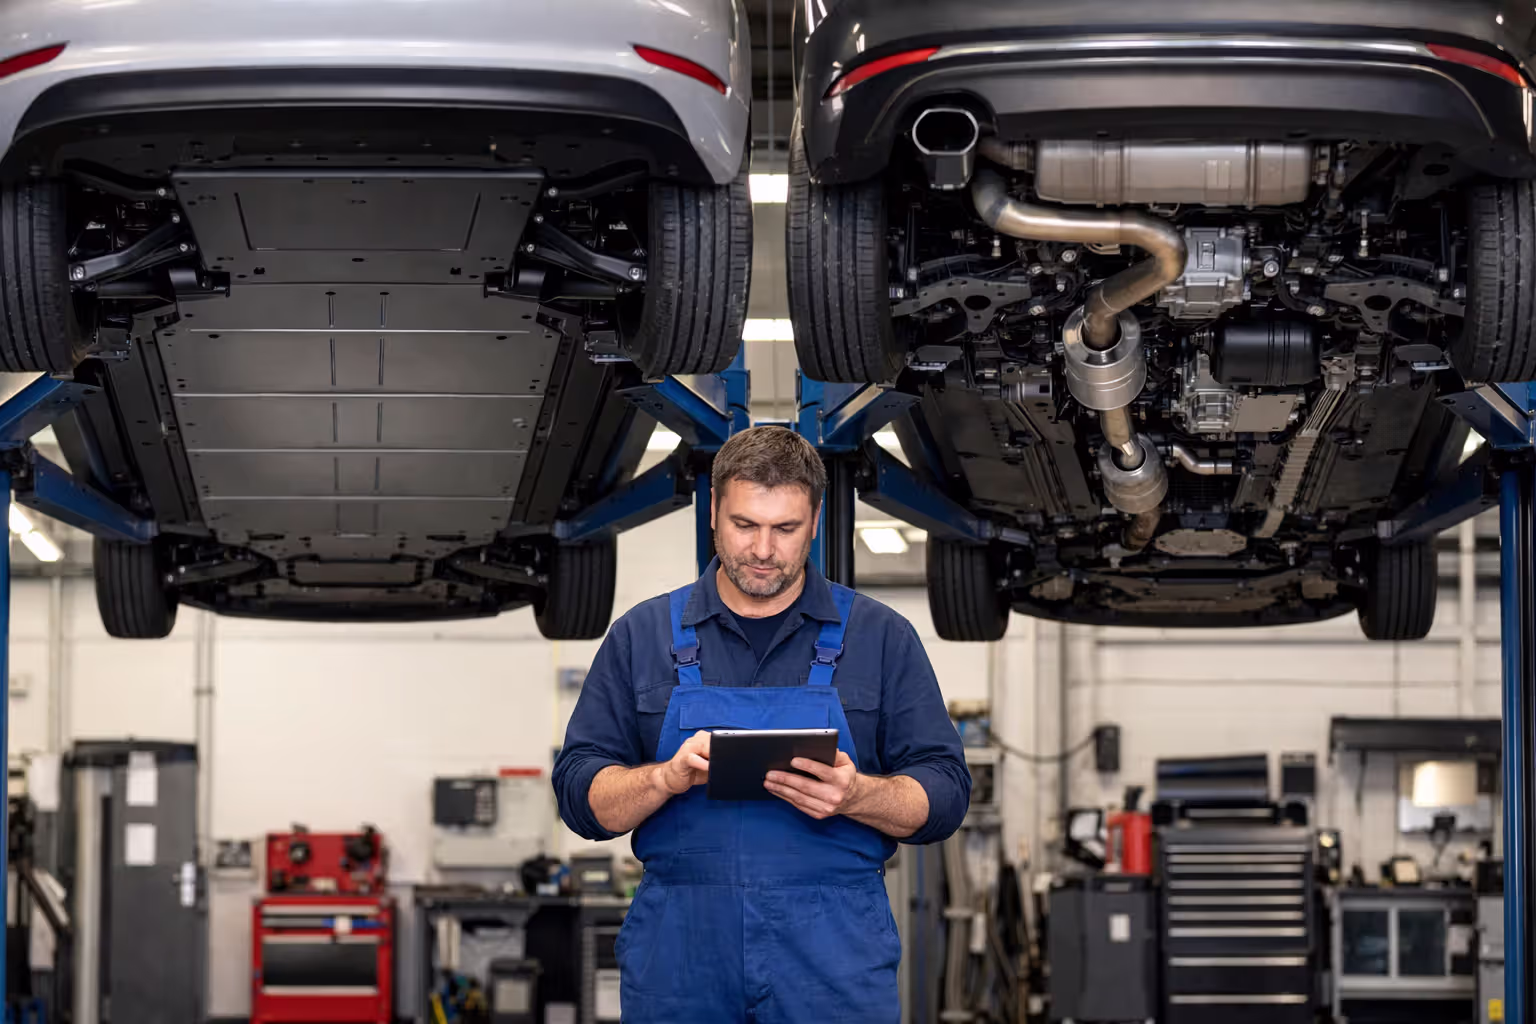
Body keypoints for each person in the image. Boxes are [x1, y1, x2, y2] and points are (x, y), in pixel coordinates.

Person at [552, 425, 971, 1024]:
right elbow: (580, 800)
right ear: (715, 513)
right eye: (745, 525)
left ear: (817, 520)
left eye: (786, 529)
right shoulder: (640, 638)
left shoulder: (880, 639)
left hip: (833, 957)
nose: (763, 550)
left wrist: (858, 795)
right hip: (682, 954)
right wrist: (662, 781)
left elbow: (947, 795)